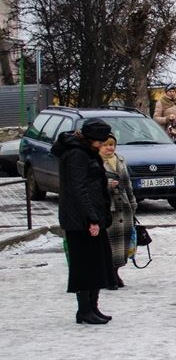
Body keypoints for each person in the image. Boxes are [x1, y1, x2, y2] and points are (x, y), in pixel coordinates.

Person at [51, 119, 116, 325]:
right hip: (80, 220)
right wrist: (92, 218)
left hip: (91, 215)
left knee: (96, 264)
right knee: (85, 266)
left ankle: (93, 307)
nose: (102, 145)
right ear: (90, 139)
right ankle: (84, 310)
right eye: (99, 141)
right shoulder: (76, 154)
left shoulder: (84, 151)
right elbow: (78, 189)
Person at [100, 134, 137, 290]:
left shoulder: (120, 160)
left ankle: (115, 272)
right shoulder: (96, 162)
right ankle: (108, 275)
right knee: (108, 245)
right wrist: (107, 185)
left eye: (112, 144)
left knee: (121, 245)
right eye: (106, 145)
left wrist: (133, 202)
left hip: (124, 208)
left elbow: (127, 184)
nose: (110, 148)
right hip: (109, 208)